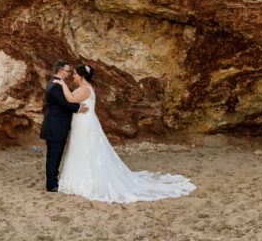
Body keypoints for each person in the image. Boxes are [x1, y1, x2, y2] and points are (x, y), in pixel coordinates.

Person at [52, 64, 195, 203]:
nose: (73, 76)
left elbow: (70, 99)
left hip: (86, 124)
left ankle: (88, 179)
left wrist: (61, 83)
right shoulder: (81, 88)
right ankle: (78, 177)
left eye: (75, 74)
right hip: (79, 123)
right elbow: (70, 99)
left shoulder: (86, 89)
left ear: (82, 76)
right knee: (79, 149)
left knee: (87, 149)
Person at [40, 61, 88, 192]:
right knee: (54, 156)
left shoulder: (56, 83)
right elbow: (64, 103)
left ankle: (53, 182)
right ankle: (51, 185)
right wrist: (78, 107)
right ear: (61, 71)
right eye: (67, 71)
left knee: (55, 155)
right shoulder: (55, 85)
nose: (69, 73)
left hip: (56, 126)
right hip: (55, 127)